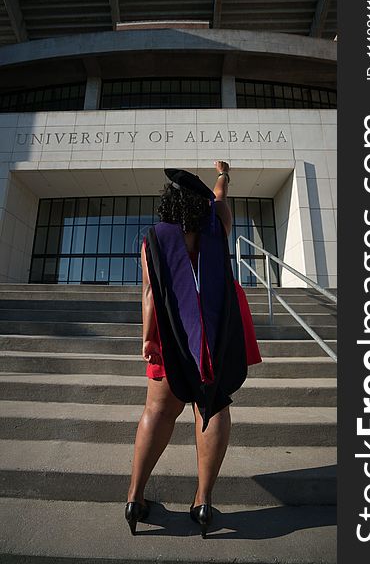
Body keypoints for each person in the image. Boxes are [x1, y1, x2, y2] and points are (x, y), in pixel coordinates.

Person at [125, 161, 262, 538]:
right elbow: (219, 198)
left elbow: (151, 295)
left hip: (172, 334)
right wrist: (223, 175)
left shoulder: (152, 240)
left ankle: (135, 499)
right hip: (217, 334)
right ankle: (202, 501)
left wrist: (148, 340)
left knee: (157, 408)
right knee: (213, 403)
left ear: (167, 206)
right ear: (203, 205)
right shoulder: (218, 227)